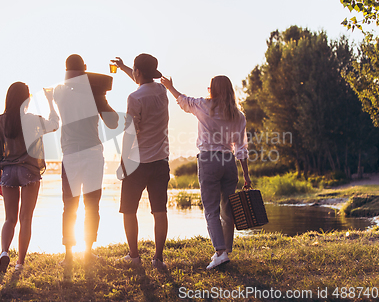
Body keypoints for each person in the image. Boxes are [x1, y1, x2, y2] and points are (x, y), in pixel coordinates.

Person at [160, 75, 251, 270]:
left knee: (211, 209)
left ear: (213, 90)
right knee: (228, 209)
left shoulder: (204, 106)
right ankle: (225, 250)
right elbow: (241, 148)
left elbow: (183, 101)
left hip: (209, 160)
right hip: (229, 162)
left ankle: (220, 252)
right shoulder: (238, 115)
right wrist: (247, 175)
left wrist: (170, 87)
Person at [53, 54, 118, 266]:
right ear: (85, 68)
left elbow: (69, 84)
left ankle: (69, 256)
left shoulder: (58, 91)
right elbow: (113, 123)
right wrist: (101, 95)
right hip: (91, 154)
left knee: (69, 206)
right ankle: (88, 253)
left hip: (70, 154)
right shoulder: (94, 93)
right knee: (92, 205)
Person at [0, 82, 59, 273]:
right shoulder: (33, 120)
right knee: (25, 218)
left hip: (9, 173)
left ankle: (4, 253)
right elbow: (54, 124)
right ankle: (19, 264)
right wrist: (50, 102)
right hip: (29, 171)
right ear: (27, 99)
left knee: (9, 219)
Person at [111, 54, 170, 271]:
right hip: (160, 162)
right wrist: (125, 67)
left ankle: (134, 256)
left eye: (134, 70)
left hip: (137, 162)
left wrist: (123, 161)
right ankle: (158, 258)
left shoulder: (134, 98)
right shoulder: (162, 92)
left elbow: (130, 132)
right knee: (159, 210)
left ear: (138, 72)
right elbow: (143, 82)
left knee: (129, 209)